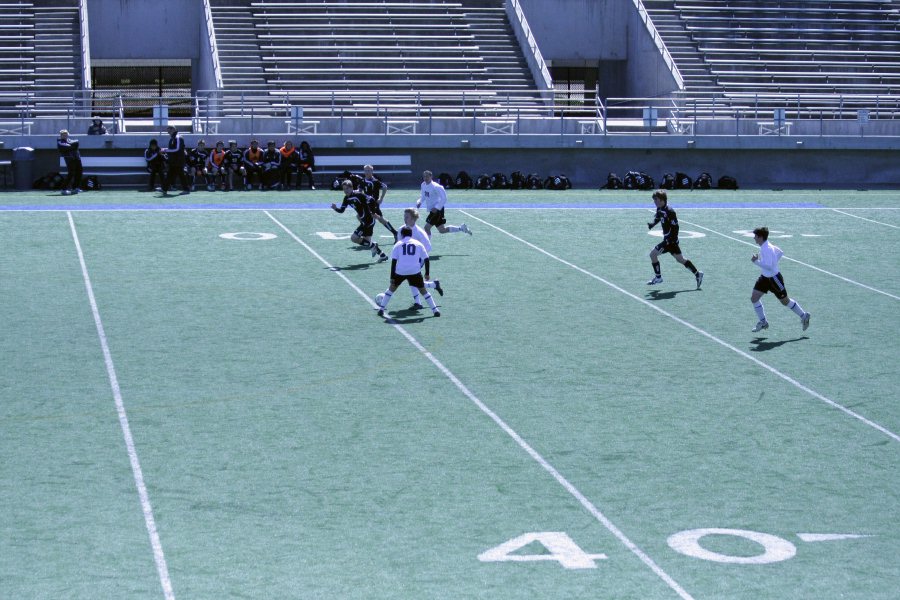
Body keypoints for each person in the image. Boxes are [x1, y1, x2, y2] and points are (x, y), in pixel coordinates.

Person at [749, 226, 811, 333]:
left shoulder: (767, 249)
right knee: (754, 298)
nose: (754, 238)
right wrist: (773, 263)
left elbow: (768, 266)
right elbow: (780, 252)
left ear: (761, 237)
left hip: (774, 279)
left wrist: (756, 261)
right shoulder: (766, 246)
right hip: (765, 278)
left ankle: (804, 316)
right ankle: (763, 322)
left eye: (756, 236)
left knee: (785, 301)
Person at [375, 227, 441, 318]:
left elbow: (394, 262)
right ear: (411, 234)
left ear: (402, 235)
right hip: (415, 271)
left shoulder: (398, 244)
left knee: (391, 289)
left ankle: (381, 309)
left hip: (401, 271)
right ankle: (435, 310)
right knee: (423, 291)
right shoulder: (418, 244)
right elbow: (426, 259)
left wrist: (392, 277)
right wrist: (427, 273)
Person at [645, 189, 703, 289]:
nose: (654, 202)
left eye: (656, 200)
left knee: (653, 254)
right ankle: (698, 274)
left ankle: (658, 277)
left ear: (662, 200)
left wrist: (672, 239)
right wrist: (652, 224)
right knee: (680, 259)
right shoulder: (660, 209)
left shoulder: (670, 211)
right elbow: (658, 218)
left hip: (670, 241)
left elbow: (676, 227)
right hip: (670, 241)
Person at [331, 180, 390, 263]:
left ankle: (373, 246)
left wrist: (373, 212)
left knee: (354, 238)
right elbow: (342, 210)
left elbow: (372, 200)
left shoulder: (358, 195)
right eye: (344, 189)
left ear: (352, 188)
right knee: (367, 241)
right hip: (365, 221)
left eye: (347, 188)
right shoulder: (346, 198)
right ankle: (382, 255)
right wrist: (335, 208)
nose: (346, 190)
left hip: (368, 221)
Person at [400, 207, 443, 309]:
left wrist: (418, 257)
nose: (404, 219)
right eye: (404, 216)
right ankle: (433, 285)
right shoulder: (402, 229)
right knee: (412, 279)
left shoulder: (420, 233)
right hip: (407, 259)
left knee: (411, 279)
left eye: (407, 217)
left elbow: (428, 247)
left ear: (413, 219)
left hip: (418, 260)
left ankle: (418, 303)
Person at [416, 170, 472, 236]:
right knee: (442, 230)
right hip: (432, 210)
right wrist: (419, 202)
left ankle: (427, 245)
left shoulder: (436, 186)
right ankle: (461, 228)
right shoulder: (423, 185)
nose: (425, 178)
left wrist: (436, 208)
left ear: (431, 177)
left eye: (427, 176)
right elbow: (423, 196)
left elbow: (444, 198)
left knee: (426, 228)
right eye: (424, 176)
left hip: (437, 211)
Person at [160, 125, 190, 195]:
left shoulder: (178, 137)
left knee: (180, 175)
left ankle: (186, 189)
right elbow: (173, 149)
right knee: (170, 175)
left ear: (173, 129)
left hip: (178, 161)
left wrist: (165, 150)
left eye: (169, 130)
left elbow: (177, 149)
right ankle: (164, 189)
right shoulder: (172, 138)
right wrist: (165, 150)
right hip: (174, 161)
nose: (168, 132)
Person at [56, 129, 83, 195]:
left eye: (66, 134)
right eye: (63, 134)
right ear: (61, 135)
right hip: (69, 159)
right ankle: (63, 189)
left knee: (79, 172)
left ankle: (75, 188)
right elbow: (66, 147)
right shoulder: (60, 142)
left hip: (77, 158)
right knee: (71, 174)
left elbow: (76, 144)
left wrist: (71, 145)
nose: (65, 135)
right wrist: (71, 146)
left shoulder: (70, 140)